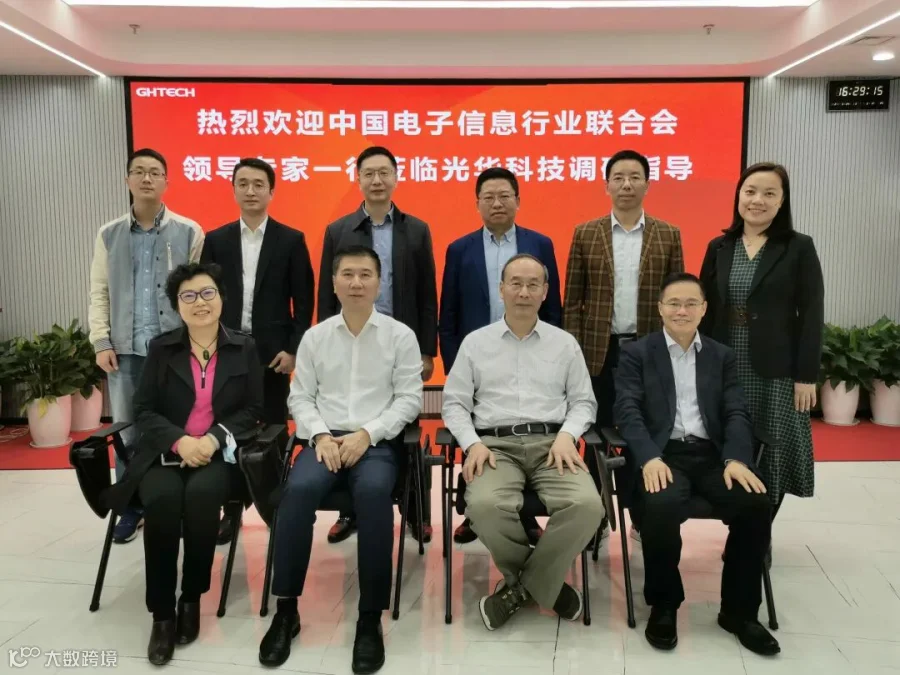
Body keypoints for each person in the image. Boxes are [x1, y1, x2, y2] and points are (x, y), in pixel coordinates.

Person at [260, 245, 423, 674]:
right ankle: (286, 610)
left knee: (373, 494)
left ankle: (369, 617)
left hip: (376, 443)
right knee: (297, 493)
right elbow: (300, 397)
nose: (356, 283)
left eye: (365, 274)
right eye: (347, 274)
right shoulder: (315, 337)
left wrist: (368, 434)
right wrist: (319, 435)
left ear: (379, 282)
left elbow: (409, 399)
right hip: (324, 441)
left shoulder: (400, 336)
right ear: (333, 283)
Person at [102, 262, 263, 666]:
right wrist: (180, 441)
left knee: (203, 499)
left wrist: (211, 439)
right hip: (164, 454)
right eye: (188, 296)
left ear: (222, 297)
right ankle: (162, 614)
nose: (200, 303)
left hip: (216, 454)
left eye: (208, 293)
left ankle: (191, 597)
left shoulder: (243, 347)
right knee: (161, 503)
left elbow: (253, 410)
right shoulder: (162, 348)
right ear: (177, 305)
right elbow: (144, 409)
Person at [613, 272, 779, 656]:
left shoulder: (721, 356)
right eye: (674, 303)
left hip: (713, 456)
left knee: (756, 504)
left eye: (691, 303)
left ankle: (739, 613)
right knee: (660, 505)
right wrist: (648, 457)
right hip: (663, 455)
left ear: (704, 309)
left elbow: (736, 411)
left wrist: (736, 458)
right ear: (660, 308)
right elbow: (627, 411)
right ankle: (664, 605)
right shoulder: (638, 353)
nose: (682, 311)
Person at [442, 254, 604, 631]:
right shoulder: (475, 343)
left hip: (553, 445)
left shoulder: (564, 344)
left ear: (545, 292)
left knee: (587, 507)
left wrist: (567, 435)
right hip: (493, 446)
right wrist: (472, 444)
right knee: (483, 505)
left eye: (533, 285)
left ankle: (520, 589)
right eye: (515, 283)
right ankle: (546, 586)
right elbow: (454, 404)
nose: (524, 292)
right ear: (501, 289)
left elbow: (584, 402)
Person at [318, 146, 438, 545]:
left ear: (396, 177)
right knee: (352, 421)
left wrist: (427, 350)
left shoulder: (416, 229)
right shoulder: (338, 230)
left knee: (405, 425)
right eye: (369, 173)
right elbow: (326, 296)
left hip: (399, 346)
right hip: (351, 342)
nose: (377, 180)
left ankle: (415, 511)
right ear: (358, 179)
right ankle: (351, 510)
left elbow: (427, 294)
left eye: (384, 172)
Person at [563, 148, 684, 542]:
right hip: (599, 351)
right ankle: (594, 518)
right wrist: (574, 354)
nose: (626, 184)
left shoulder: (668, 234)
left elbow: (678, 300)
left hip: (648, 351)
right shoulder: (586, 233)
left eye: (635, 177)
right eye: (618, 177)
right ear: (607, 186)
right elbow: (572, 301)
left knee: (643, 435)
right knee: (593, 435)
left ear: (647, 184)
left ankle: (641, 515)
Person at [699, 162, 824, 534]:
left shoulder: (798, 247)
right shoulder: (719, 247)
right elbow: (704, 310)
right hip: (725, 362)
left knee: (773, 452)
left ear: (782, 201)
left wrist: (806, 376)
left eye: (770, 193)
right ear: (738, 195)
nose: (758, 200)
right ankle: (741, 526)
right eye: (750, 191)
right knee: (728, 444)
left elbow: (812, 314)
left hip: (776, 370)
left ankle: (756, 536)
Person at [440, 167, 562, 545]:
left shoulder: (540, 244)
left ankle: (524, 515)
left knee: (520, 432)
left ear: (518, 201)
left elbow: (553, 309)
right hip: (477, 363)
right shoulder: (459, 249)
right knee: (478, 431)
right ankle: (473, 513)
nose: (497, 203)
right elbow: (449, 316)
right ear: (477, 203)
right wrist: (456, 367)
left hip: (531, 357)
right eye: (489, 197)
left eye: (505, 195)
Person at [89, 148, 204, 544]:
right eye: (138, 172)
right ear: (127, 181)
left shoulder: (189, 231)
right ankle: (130, 507)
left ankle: (178, 504)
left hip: (174, 352)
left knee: (178, 428)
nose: (146, 178)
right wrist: (101, 340)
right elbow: (99, 291)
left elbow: (199, 295)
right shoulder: (109, 233)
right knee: (127, 433)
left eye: (155, 172)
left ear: (167, 181)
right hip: (124, 351)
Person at [201, 157, 315, 544]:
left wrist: (294, 349)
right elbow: (206, 298)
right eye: (243, 184)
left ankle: (275, 504)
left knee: (273, 429)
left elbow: (304, 301)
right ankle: (232, 508)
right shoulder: (216, 240)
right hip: (227, 351)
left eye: (258, 184)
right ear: (233, 189)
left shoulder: (291, 239)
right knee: (228, 429)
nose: (251, 191)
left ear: (271, 191)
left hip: (273, 355)